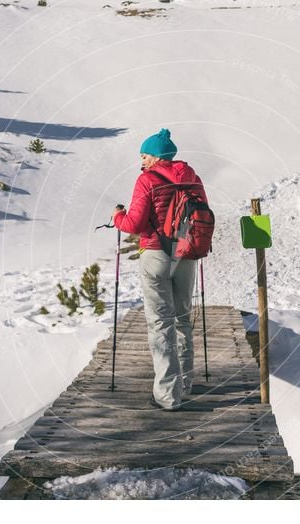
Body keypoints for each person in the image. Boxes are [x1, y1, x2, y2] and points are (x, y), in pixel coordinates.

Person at [112, 129, 207, 411]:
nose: (141, 161)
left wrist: (117, 216)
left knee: (160, 322)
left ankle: (167, 395)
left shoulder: (147, 180)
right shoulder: (193, 178)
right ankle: (186, 382)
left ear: (155, 156)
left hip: (155, 254)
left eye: (144, 155)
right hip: (187, 254)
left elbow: (135, 225)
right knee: (182, 318)